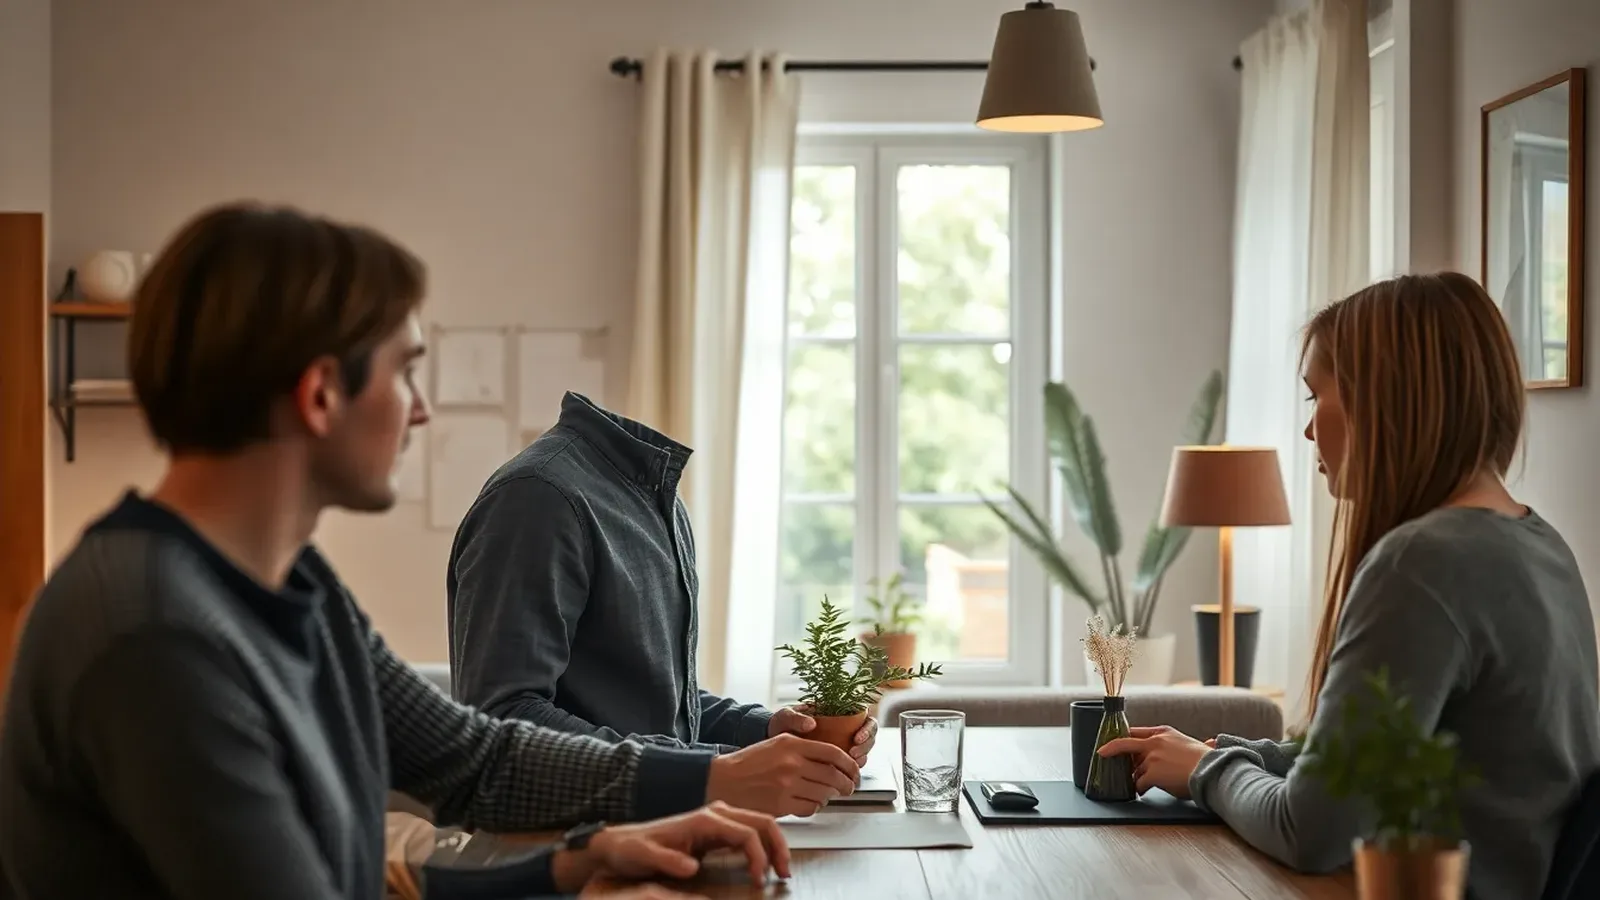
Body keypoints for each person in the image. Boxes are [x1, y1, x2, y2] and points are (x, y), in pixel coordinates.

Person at [0, 202, 794, 900]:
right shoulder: (153, 634)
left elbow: (476, 762)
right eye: (405, 373)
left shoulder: (290, 585)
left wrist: (580, 859)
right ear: (320, 394)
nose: (420, 412)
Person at [1097, 272, 1600, 898]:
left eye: (1315, 397)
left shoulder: (1423, 563)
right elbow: (1376, 764)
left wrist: (1208, 770)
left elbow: (1309, 830)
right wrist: (1232, 751)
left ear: (1382, 396)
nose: (1309, 430)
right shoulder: (1541, 544)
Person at [446, 392, 874, 816]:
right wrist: (718, 770)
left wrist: (764, 730)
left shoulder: (651, 495)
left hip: (657, 832)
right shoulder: (537, 498)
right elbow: (505, 720)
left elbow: (661, 709)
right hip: (568, 856)